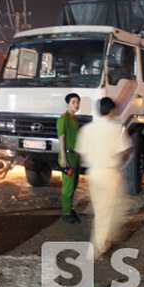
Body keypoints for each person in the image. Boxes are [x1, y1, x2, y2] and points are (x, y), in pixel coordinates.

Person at [75, 97, 133, 259]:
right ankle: (95, 249)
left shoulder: (87, 129)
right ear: (112, 111)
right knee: (107, 212)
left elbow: (81, 151)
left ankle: (103, 242)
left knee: (101, 210)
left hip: (93, 173)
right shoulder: (114, 128)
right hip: (109, 173)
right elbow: (123, 151)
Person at [57, 93, 81, 224]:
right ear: (67, 104)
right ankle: (66, 212)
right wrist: (63, 158)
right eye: (73, 102)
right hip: (67, 156)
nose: (76, 105)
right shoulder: (64, 119)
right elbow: (62, 138)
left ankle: (70, 208)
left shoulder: (74, 119)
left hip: (75, 155)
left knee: (74, 183)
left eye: (77, 102)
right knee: (68, 186)